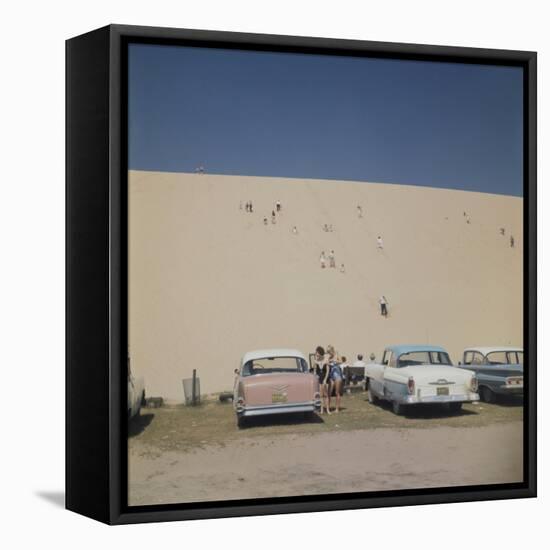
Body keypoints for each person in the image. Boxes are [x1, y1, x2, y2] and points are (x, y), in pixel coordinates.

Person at [313, 346, 330, 414]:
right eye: (316, 352)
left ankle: (328, 409)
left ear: (320, 353)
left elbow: (328, 371)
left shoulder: (326, 360)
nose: (316, 354)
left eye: (317, 352)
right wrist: (315, 377)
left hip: (325, 378)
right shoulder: (316, 360)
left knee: (326, 395)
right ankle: (322, 409)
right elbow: (314, 370)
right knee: (321, 395)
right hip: (319, 378)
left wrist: (325, 379)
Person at [327, 345, 343, 413]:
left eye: (329, 352)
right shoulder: (329, 357)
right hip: (331, 375)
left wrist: (335, 361)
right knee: (329, 392)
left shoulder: (337, 354)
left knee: (337, 392)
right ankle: (328, 408)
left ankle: (337, 408)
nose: (329, 353)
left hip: (337, 375)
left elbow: (341, 361)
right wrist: (328, 362)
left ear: (332, 350)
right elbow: (327, 363)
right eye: (328, 352)